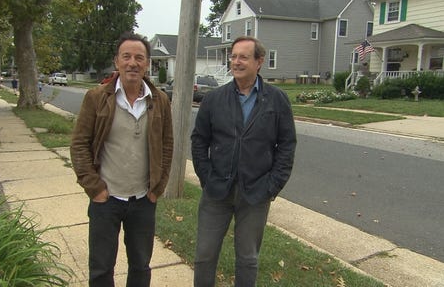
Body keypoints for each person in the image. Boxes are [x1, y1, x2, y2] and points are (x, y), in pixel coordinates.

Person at [191, 36, 297, 287]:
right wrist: (206, 177)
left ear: (259, 62)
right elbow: (199, 140)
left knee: (248, 258)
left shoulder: (277, 100)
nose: (236, 62)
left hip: (256, 193)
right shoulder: (215, 98)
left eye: (243, 57)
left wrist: (272, 186)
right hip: (216, 192)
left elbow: (287, 145)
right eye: (233, 56)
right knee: (205, 255)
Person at [70, 32, 173, 287]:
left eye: (139, 58)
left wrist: (157, 188)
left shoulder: (159, 100)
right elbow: (79, 144)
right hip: (106, 200)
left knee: (140, 267)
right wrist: (95, 188)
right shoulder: (96, 98)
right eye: (126, 57)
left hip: (143, 201)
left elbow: (167, 145)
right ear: (117, 61)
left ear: (147, 63)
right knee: (101, 269)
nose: (132, 63)